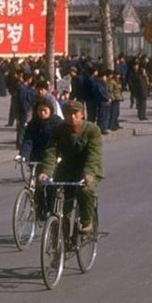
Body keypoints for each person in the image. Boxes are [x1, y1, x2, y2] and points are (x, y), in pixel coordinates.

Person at [38, 100, 103, 234]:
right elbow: (51, 152)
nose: (72, 117)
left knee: (85, 191)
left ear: (82, 114)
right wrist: (46, 172)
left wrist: (89, 173)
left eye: (75, 113)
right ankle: (60, 226)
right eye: (68, 114)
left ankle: (87, 221)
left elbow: (93, 155)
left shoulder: (92, 130)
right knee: (55, 192)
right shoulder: (59, 130)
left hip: (88, 168)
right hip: (66, 168)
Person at [17, 101, 65, 218]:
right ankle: (39, 208)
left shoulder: (57, 124)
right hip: (37, 157)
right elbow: (28, 141)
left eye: (45, 111)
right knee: (37, 183)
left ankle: (50, 208)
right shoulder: (33, 124)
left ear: (50, 111)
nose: (42, 113)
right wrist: (24, 155)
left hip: (53, 157)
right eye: (39, 111)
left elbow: (62, 142)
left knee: (49, 184)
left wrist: (60, 156)